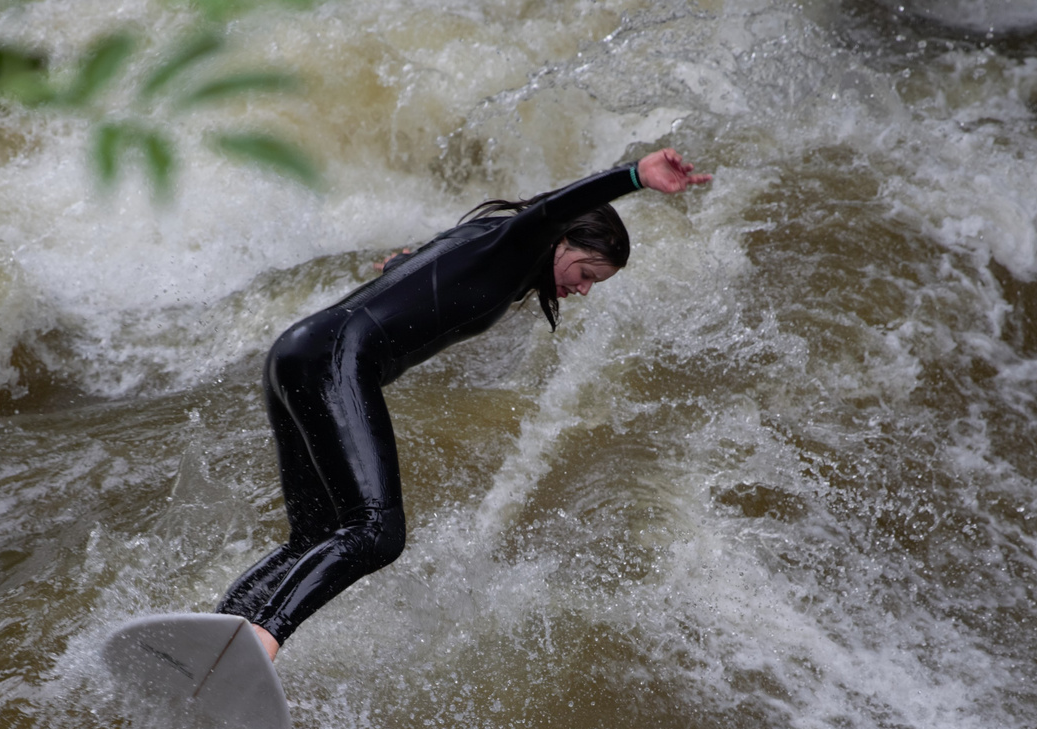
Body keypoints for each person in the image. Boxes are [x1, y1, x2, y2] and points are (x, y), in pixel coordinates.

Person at [217, 148, 713, 661]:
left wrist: (404, 267)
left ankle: (216, 641)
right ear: (562, 239)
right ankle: (261, 641)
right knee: (375, 531)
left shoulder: (483, 246)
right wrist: (634, 176)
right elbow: (549, 210)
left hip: (298, 351)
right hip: (333, 360)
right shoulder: (515, 243)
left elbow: (418, 277)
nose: (583, 289)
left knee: (316, 537)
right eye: (586, 272)